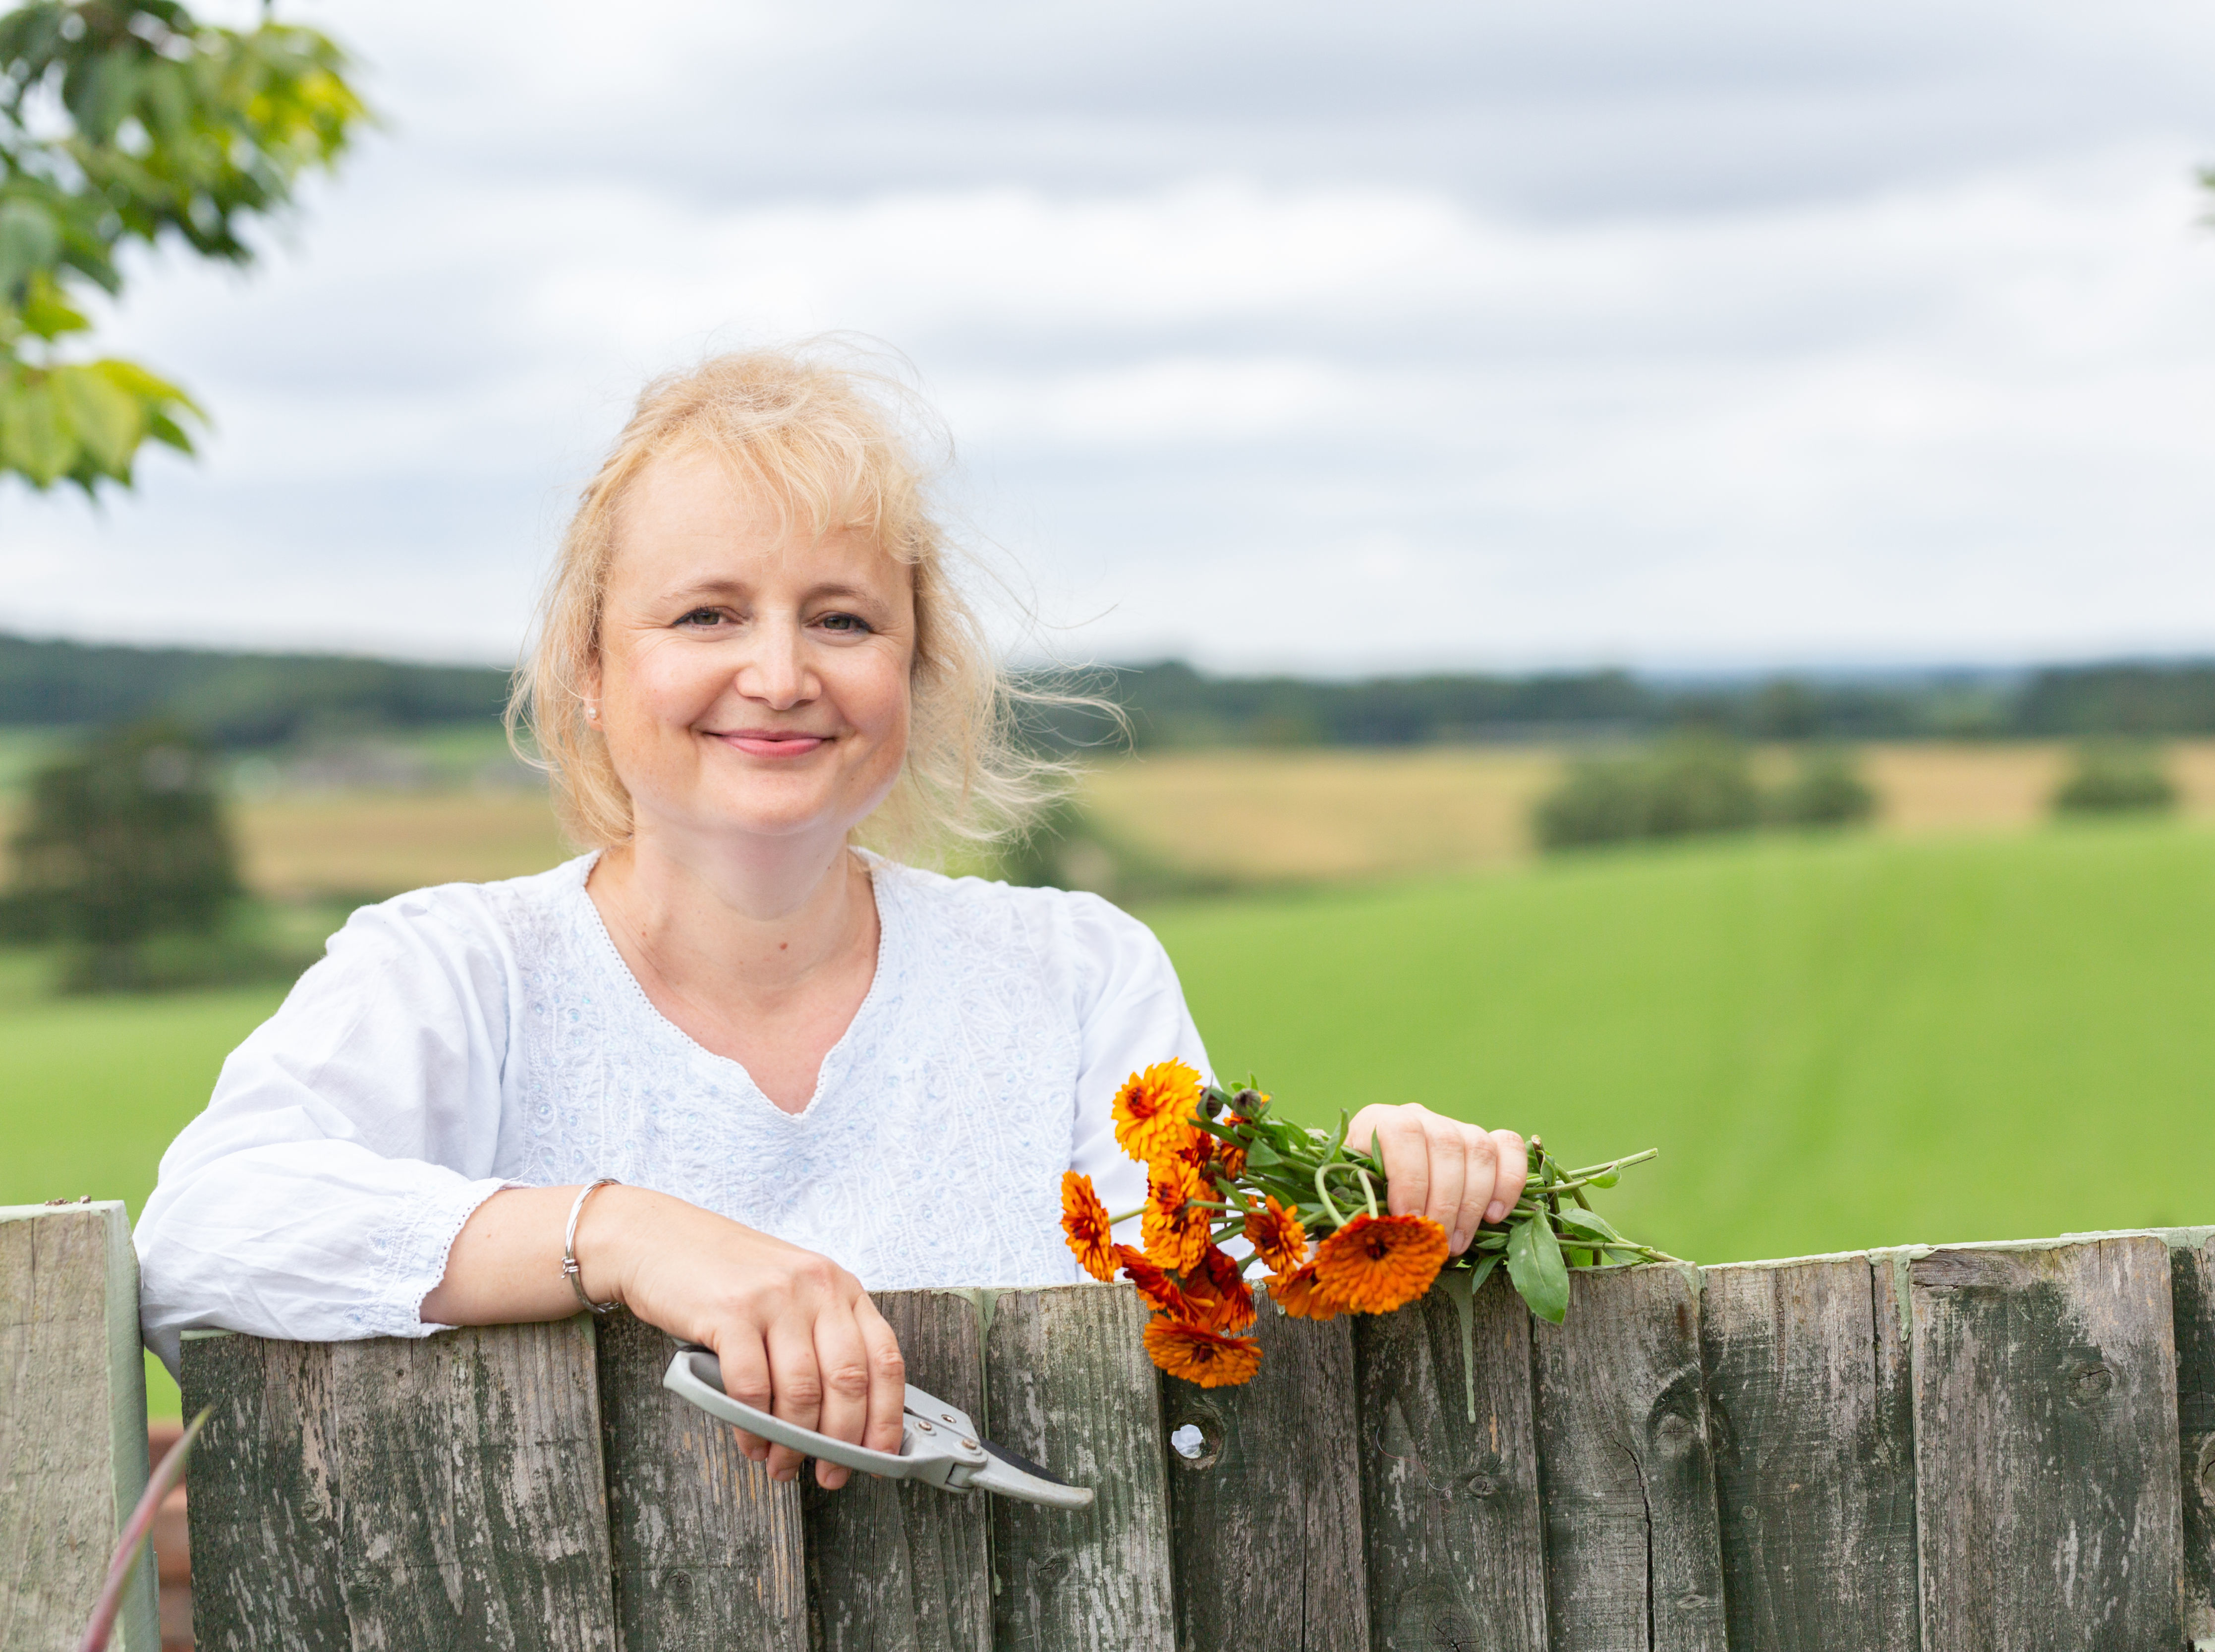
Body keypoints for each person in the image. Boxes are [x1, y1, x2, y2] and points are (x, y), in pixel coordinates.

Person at [134, 347, 1529, 1489]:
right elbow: (204, 1235)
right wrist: (628, 1238)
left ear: (917, 672)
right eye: (706, 615)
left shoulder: (1076, 973)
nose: (781, 673)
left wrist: (1359, 1200)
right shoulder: (453, 970)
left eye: (844, 621)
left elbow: (1198, 1316)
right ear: (589, 673)